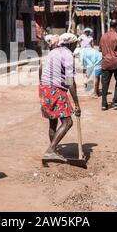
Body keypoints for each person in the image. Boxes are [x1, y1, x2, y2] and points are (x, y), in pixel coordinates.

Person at [39, 33, 81, 162]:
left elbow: (41, 69)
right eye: (75, 44)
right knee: (68, 122)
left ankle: (54, 151)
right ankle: (51, 150)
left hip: (44, 88)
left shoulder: (52, 52)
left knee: (53, 121)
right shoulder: (68, 54)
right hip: (56, 90)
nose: (75, 46)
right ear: (71, 44)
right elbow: (70, 81)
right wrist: (77, 104)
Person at [99, 20, 117, 110]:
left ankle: (104, 103)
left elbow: (100, 49)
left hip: (106, 62)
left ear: (109, 26)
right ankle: (115, 101)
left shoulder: (103, 36)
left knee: (105, 83)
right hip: (116, 63)